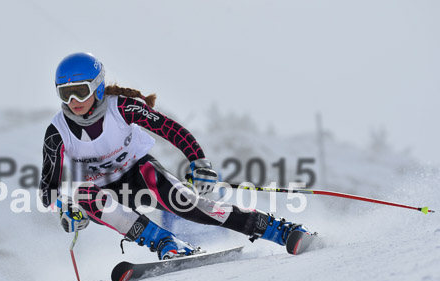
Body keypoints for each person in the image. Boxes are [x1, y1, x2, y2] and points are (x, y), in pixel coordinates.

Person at [40, 52, 311, 260]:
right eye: (66, 94)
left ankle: (278, 229)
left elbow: (169, 129)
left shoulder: (121, 107)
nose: (74, 101)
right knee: (82, 195)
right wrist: (63, 208)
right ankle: (167, 243)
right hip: (103, 190)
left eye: (81, 91)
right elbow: (47, 189)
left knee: (190, 205)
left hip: (140, 174)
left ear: (97, 87)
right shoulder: (58, 132)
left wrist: (198, 161)